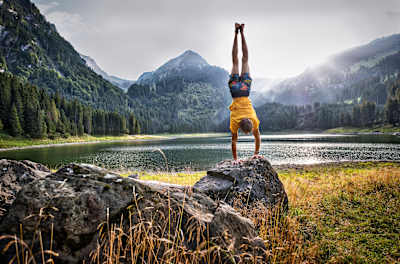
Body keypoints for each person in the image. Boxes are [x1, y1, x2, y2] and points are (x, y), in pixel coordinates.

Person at [228, 23, 261, 164]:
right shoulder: (235, 122)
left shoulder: (253, 120)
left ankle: (238, 32)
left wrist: (236, 160)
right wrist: (256, 154)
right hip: (236, 91)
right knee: (239, 60)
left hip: (243, 89)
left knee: (241, 60)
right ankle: (239, 32)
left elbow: (256, 138)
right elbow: (234, 143)